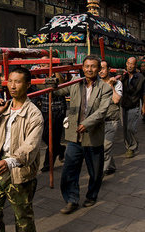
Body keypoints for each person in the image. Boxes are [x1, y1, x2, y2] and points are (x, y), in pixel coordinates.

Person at [0, 67, 43, 232]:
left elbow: (31, 146)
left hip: (19, 172)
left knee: (23, 218)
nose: (12, 86)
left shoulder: (34, 114)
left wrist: (11, 161)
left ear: (28, 84)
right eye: (10, 81)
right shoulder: (4, 108)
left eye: (17, 82)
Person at [55, 55, 112, 214]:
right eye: (86, 66)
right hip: (74, 137)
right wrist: (53, 76)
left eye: (93, 66)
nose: (89, 69)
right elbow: (58, 90)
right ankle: (71, 200)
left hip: (93, 136)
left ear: (99, 69)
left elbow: (102, 111)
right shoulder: (75, 84)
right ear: (82, 67)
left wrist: (86, 124)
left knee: (95, 171)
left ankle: (92, 195)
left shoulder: (105, 88)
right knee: (69, 171)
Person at [33, 56, 67, 172]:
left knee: (54, 136)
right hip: (46, 108)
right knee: (43, 134)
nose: (42, 67)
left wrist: (55, 70)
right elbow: (40, 87)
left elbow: (61, 84)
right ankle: (60, 149)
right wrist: (37, 75)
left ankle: (48, 163)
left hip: (57, 108)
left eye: (45, 64)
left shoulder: (57, 73)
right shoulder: (41, 75)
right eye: (41, 65)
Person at [99, 60, 122, 175]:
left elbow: (116, 100)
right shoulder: (96, 83)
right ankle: (111, 166)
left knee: (105, 148)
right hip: (99, 121)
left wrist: (111, 86)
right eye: (99, 68)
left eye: (103, 68)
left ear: (108, 69)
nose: (101, 71)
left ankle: (99, 175)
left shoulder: (117, 83)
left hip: (111, 120)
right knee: (102, 146)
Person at [120, 57, 145, 158]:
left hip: (134, 106)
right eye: (128, 64)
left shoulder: (140, 77)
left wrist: (144, 106)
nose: (130, 66)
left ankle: (132, 146)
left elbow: (143, 93)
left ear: (135, 65)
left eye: (132, 64)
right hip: (123, 106)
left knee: (131, 128)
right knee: (125, 128)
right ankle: (128, 146)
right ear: (126, 64)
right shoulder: (123, 76)